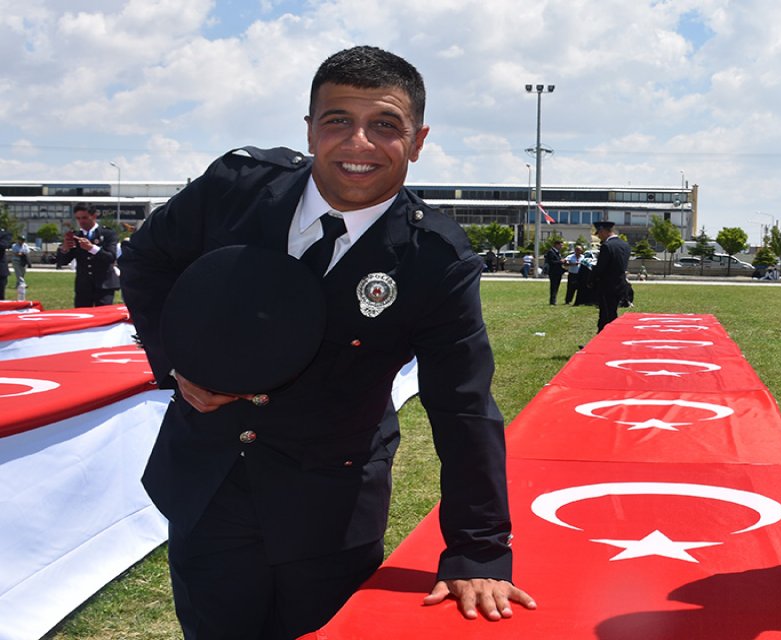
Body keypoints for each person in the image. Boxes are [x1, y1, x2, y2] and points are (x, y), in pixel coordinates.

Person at [119, 46, 534, 639]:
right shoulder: (234, 189)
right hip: (206, 485)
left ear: (417, 141)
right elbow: (147, 261)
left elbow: (462, 405)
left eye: (385, 125)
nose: (358, 142)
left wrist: (479, 550)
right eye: (337, 120)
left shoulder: (435, 260)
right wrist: (183, 364)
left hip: (328, 507)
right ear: (310, 129)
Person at [55, 204, 121, 307]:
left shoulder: (108, 233)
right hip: (83, 286)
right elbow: (63, 261)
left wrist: (92, 248)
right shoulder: (75, 236)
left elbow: (111, 257)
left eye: (85, 218)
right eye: (78, 218)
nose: (81, 221)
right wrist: (65, 249)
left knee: (103, 318)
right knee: (83, 318)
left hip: (104, 285)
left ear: (94, 216)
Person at [591, 220, 630, 331]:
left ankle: (604, 341)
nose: (599, 237)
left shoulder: (607, 246)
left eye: (599, 233)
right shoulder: (624, 245)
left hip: (607, 286)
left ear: (603, 231)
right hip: (620, 285)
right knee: (610, 313)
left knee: (606, 316)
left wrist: (591, 279)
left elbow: (601, 268)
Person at [544, 239, 565, 304]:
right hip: (553, 272)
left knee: (556, 286)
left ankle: (554, 299)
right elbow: (551, 262)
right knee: (553, 286)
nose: (562, 247)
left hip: (558, 272)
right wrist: (560, 261)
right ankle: (552, 301)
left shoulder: (558, 252)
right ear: (556, 245)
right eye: (560, 245)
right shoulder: (551, 252)